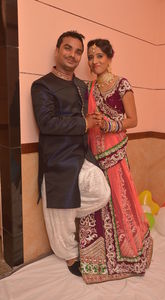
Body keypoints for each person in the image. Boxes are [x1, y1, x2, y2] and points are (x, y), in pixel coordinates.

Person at [31, 32, 111, 277]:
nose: (73, 55)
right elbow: (47, 124)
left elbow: (86, 117)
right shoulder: (42, 86)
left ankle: (60, 210)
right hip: (56, 159)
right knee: (62, 207)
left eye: (78, 52)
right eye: (68, 48)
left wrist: (94, 120)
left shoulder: (80, 85)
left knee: (101, 191)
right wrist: (84, 123)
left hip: (80, 154)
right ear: (57, 50)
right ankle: (69, 255)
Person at [79, 39, 153, 284]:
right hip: (94, 155)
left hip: (115, 155)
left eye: (99, 56)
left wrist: (110, 124)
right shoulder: (90, 88)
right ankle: (98, 260)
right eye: (91, 57)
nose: (94, 61)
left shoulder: (122, 84)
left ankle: (128, 254)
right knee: (96, 200)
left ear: (110, 58)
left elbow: (133, 120)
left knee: (119, 202)